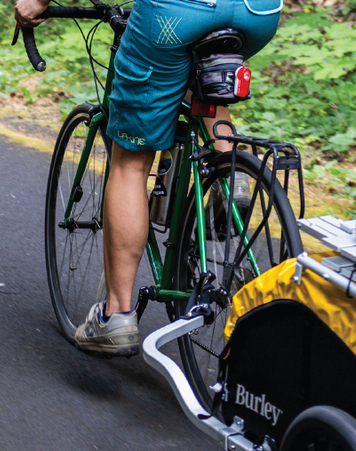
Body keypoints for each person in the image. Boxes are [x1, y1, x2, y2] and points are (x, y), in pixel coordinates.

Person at [15, 0, 282, 357]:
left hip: (178, 14)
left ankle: (115, 317)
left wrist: (38, 3)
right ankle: (230, 174)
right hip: (259, 13)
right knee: (200, 66)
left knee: (130, 164)